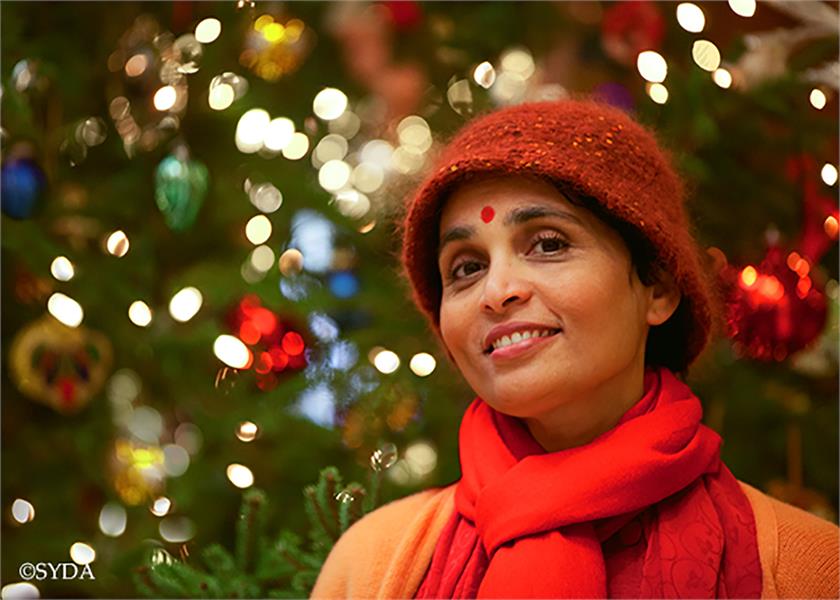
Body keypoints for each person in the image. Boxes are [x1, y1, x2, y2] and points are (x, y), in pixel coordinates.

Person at [310, 100, 839, 598]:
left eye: (548, 244)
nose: (497, 292)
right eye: (467, 268)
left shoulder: (809, 570)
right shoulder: (374, 565)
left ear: (657, 288)